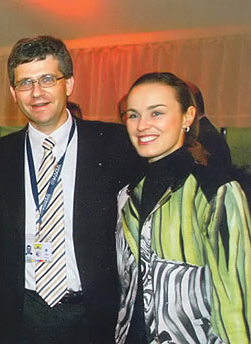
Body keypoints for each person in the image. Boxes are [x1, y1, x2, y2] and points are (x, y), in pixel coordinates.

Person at [0, 35, 137, 343]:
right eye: (25, 83)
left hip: (93, 318)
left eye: (47, 79)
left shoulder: (114, 145)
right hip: (20, 318)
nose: (36, 92)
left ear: (69, 84)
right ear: (13, 92)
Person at [116, 72, 251, 344]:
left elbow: (237, 302)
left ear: (188, 117)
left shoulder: (215, 191)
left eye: (156, 113)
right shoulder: (128, 193)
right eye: (133, 115)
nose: (142, 125)